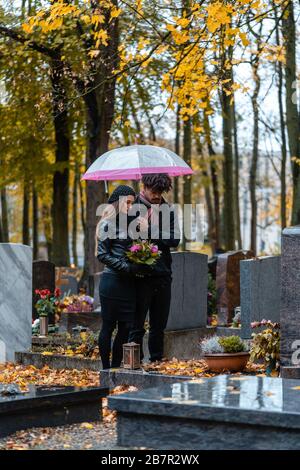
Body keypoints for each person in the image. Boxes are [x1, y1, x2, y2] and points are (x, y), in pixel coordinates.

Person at [96, 185, 150, 369]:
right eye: (127, 202)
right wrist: (127, 267)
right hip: (112, 282)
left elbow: (135, 248)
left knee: (126, 327)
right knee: (108, 326)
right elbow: (102, 254)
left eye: (132, 202)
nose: (130, 205)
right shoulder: (107, 224)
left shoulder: (131, 223)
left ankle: (116, 366)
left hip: (128, 284)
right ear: (118, 202)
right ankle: (105, 368)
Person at [128, 174, 181, 362]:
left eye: (161, 192)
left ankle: (156, 362)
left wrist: (149, 230)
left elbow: (174, 239)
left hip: (163, 275)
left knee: (158, 326)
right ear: (144, 187)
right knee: (137, 325)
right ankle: (134, 364)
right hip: (139, 276)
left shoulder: (168, 210)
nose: (157, 195)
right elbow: (127, 238)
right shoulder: (132, 207)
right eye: (154, 191)